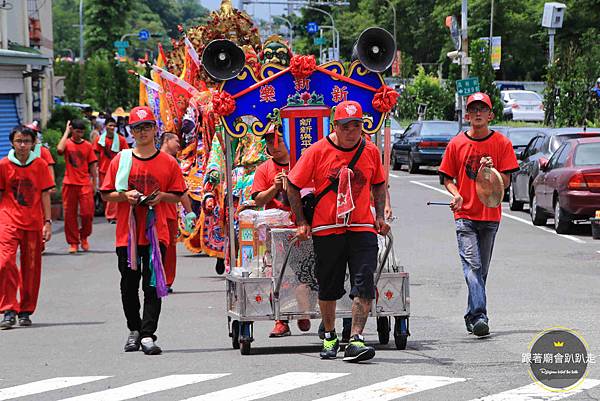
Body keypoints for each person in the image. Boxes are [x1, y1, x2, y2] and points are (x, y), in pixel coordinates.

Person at [287, 100, 390, 363]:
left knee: (365, 281)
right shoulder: (317, 151)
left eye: (357, 126)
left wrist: (379, 215)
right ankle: (330, 335)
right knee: (329, 287)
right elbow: (293, 184)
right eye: (346, 126)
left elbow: (378, 184)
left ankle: (355, 338)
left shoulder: (370, 151)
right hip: (327, 227)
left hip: (361, 226)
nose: (352, 131)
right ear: (335, 126)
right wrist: (301, 221)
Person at [100, 106, 187, 355]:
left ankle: (148, 334)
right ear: (132, 131)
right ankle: (134, 329)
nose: (143, 132)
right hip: (126, 235)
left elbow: (178, 195)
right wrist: (125, 195)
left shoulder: (168, 162)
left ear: (155, 129)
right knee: (128, 284)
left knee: (151, 285)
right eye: (138, 128)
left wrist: (159, 199)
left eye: (147, 126)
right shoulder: (121, 159)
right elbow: (107, 194)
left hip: (155, 232)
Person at [438, 92, 519, 337]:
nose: (477, 113)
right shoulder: (457, 144)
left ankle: (472, 316)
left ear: (490, 114)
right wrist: (456, 194)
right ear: (467, 115)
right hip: (465, 215)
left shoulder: (502, 144)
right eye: (473, 109)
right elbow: (446, 177)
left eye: (482, 109)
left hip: (490, 216)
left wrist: (490, 172)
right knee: (473, 267)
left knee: (480, 271)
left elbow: (506, 179)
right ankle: (480, 316)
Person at [251, 127, 311, 337]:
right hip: (276, 231)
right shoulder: (264, 169)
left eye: (278, 142)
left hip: (301, 226)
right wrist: (275, 188)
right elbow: (258, 200)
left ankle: (305, 310)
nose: (274, 147)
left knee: (305, 271)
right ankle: (281, 319)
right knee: (279, 273)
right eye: (269, 143)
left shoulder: (302, 164)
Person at [0, 126, 54, 329]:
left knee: (31, 267)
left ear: (33, 144)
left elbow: (45, 194)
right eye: (18, 141)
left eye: (26, 141)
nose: (22, 145)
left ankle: (25, 309)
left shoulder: (39, 164)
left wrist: (47, 222)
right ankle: (8, 308)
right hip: (8, 221)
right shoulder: (4, 165)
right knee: (4, 263)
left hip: (33, 222)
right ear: (12, 143)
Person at [159, 132, 195, 293]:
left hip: (169, 212)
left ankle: (166, 281)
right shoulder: (152, 158)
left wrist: (189, 213)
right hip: (150, 213)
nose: (179, 144)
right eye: (176, 140)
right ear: (166, 140)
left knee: (169, 249)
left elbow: (181, 190)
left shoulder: (173, 162)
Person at [57, 119, 98, 253]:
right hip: (69, 183)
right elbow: (59, 149)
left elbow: (92, 165)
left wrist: (95, 183)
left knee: (87, 213)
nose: (79, 134)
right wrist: (66, 131)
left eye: (81, 131)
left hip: (84, 183)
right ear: (72, 130)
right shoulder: (67, 144)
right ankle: (73, 242)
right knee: (70, 214)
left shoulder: (87, 145)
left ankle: (84, 236)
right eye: (76, 131)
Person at [92, 117, 128, 223]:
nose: (112, 127)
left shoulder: (121, 139)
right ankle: (110, 213)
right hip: (103, 170)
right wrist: (95, 170)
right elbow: (96, 155)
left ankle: (112, 215)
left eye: (114, 126)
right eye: (110, 125)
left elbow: (125, 154)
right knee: (106, 193)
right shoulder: (99, 140)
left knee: (115, 192)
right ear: (105, 126)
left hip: (117, 171)